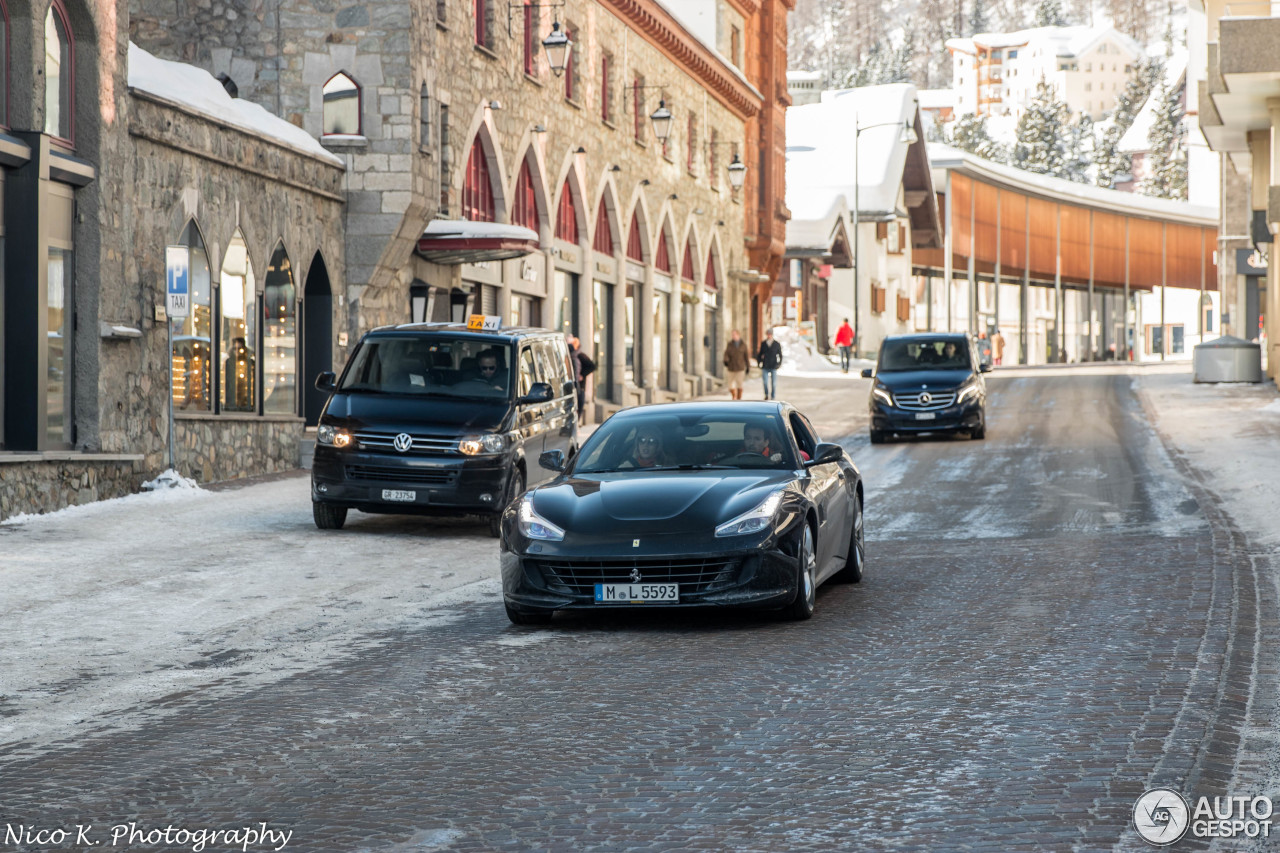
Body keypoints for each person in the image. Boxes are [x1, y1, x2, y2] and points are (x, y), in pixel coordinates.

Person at [569, 336, 595, 418]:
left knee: (578, 405)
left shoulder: (580, 355)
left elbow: (592, 366)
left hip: (580, 386)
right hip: (572, 385)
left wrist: (582, 375)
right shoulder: (570, 356)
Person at [722, 330, 750, 400]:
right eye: (732, 335)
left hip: (740, 368)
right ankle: (734, 396)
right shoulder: (730, 344)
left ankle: (738, 398)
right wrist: (725, 361)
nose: (733, 336)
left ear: (738, 335)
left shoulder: (743, 345)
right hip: (731, 367)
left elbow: (746, 356)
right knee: (730, 385)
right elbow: (726, 353)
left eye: (734, 335)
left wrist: (748, 367)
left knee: (739, 384)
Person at [756, 328, 782, 400]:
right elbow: (760, 354)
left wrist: (779, 364)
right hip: (765, 366)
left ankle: (773, 396)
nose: (769, 335)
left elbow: (780, 355)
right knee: (765, 382)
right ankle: (766, 395)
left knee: (773, 383)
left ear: (772, 334)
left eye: (770, 334)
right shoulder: (763, 344)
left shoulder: (776, 344)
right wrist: (759, 363)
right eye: (768, 334)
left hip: (773, 366)